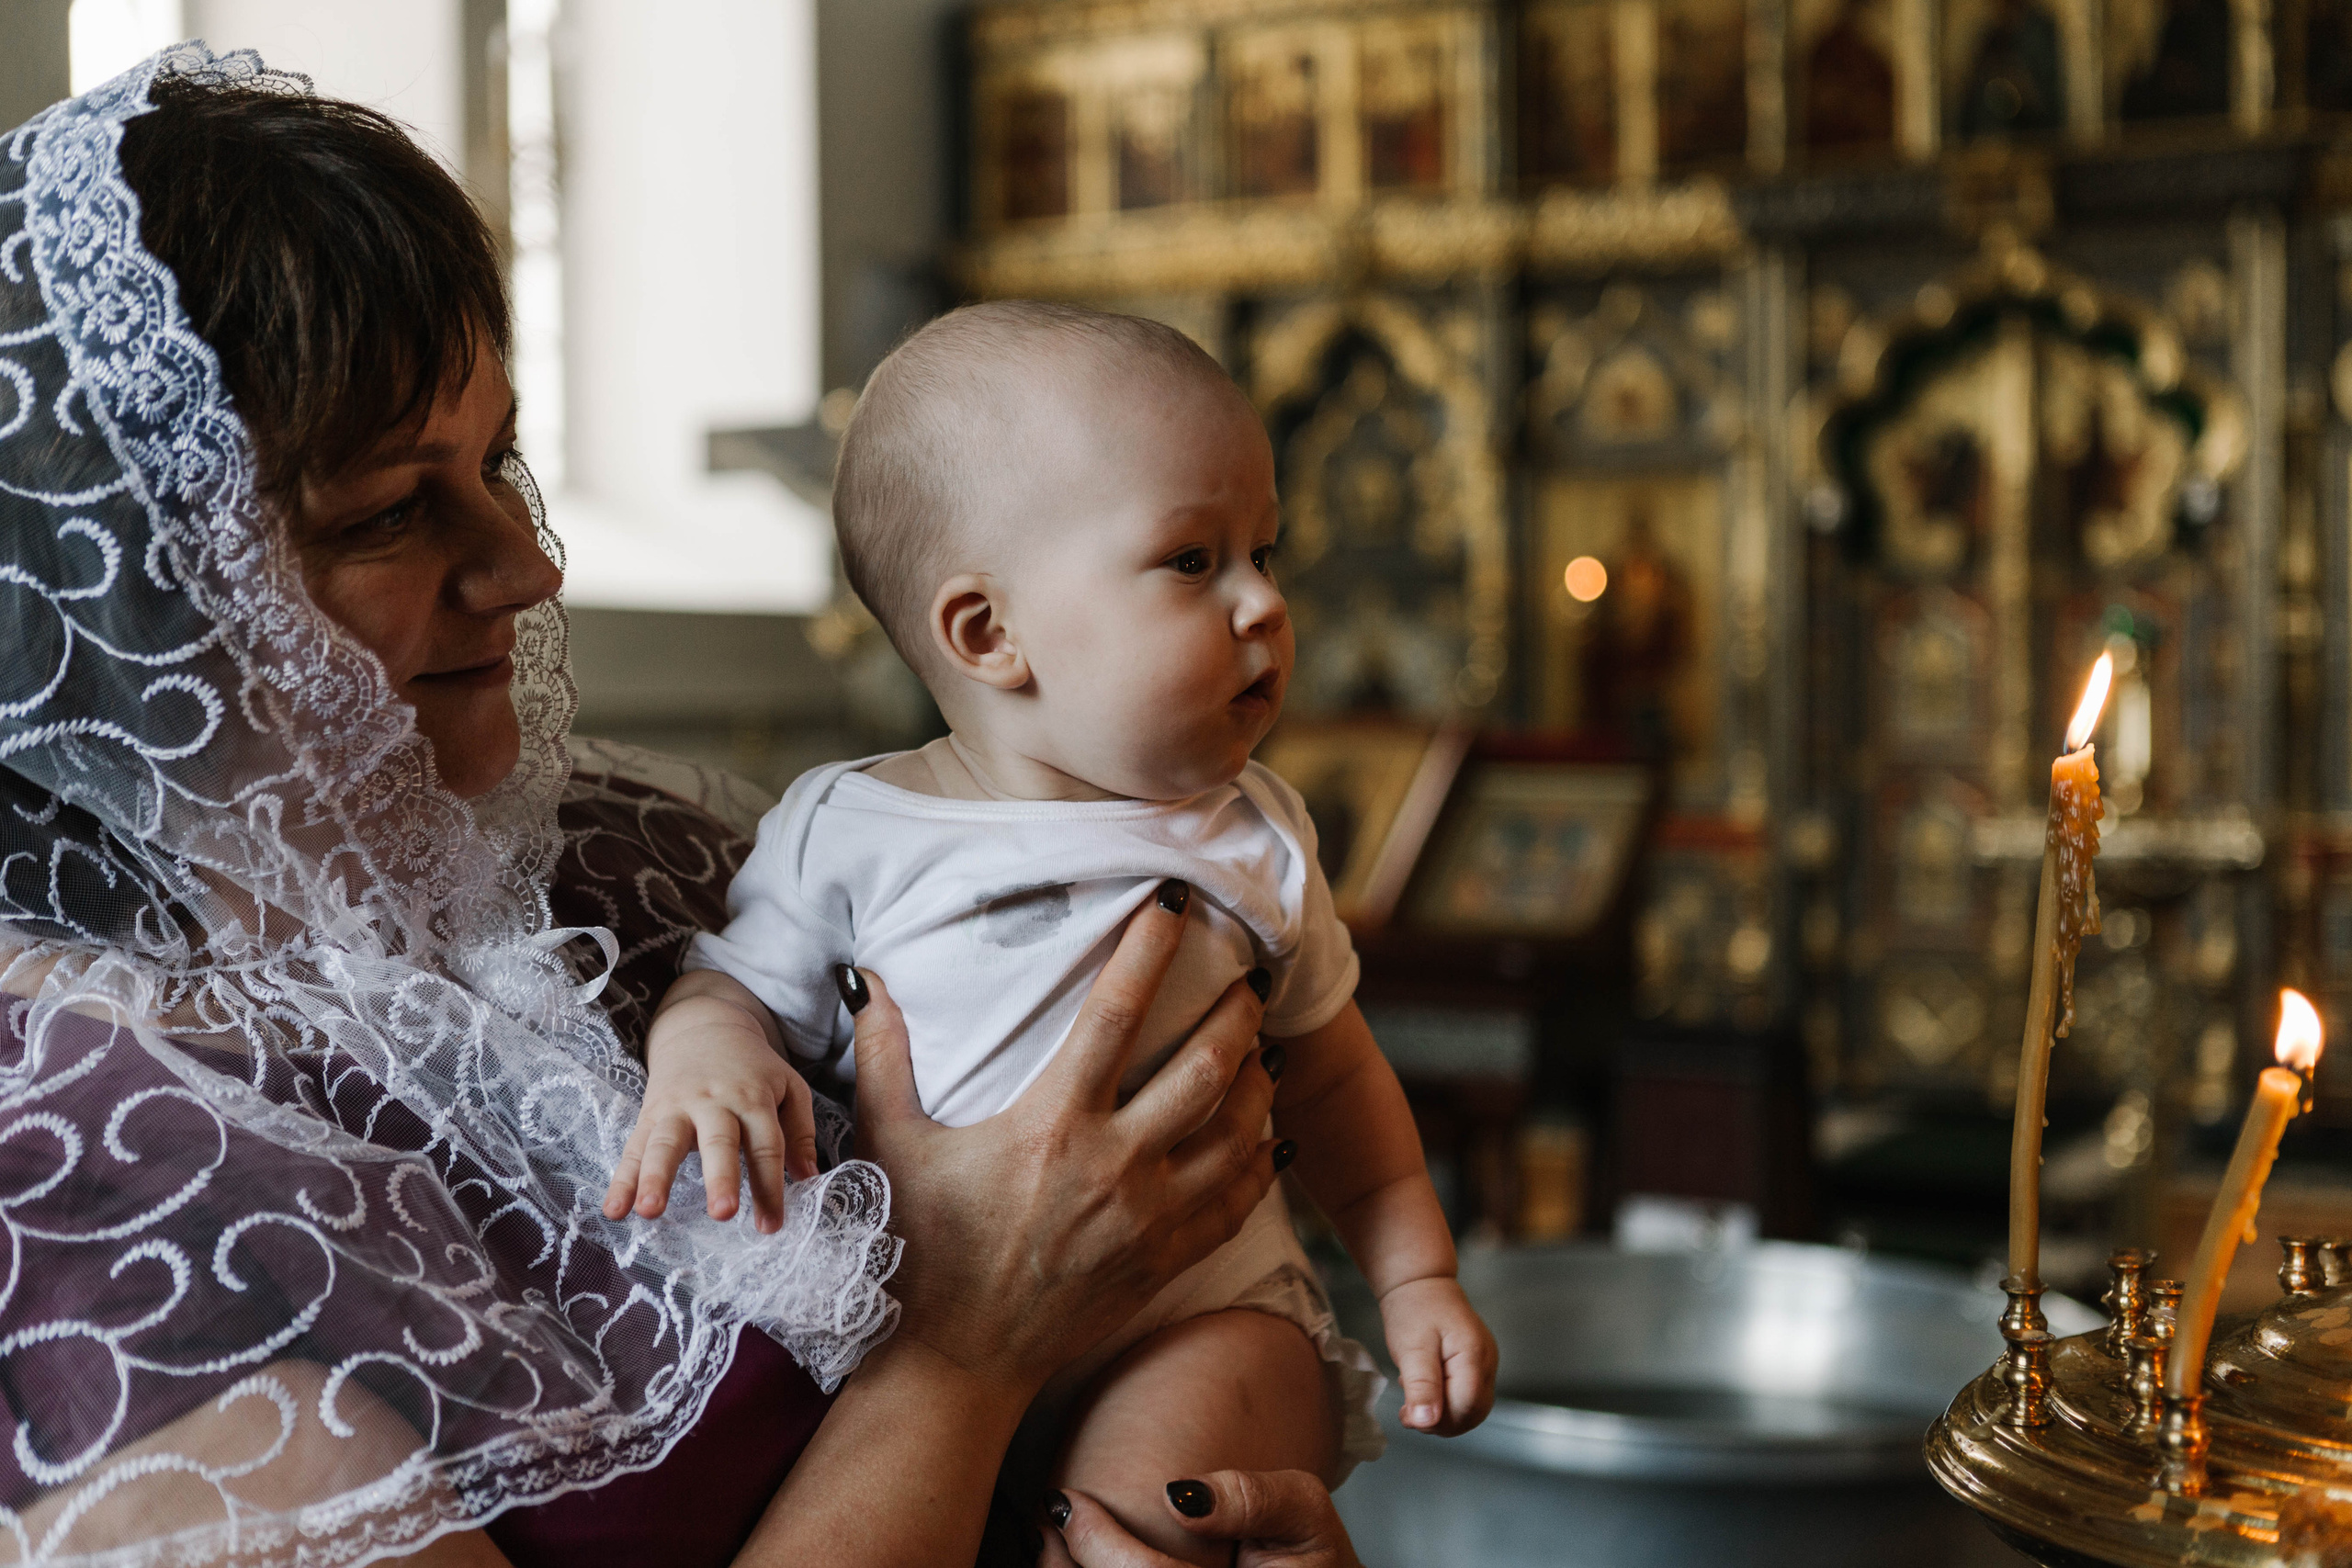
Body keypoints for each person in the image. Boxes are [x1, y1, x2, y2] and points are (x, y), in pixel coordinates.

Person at [0, 46, 1362, 1567]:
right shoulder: (82, 1190)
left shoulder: (659, 869)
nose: (529, 566)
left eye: (501, 458)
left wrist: (1230, 1517)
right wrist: (970, 1346)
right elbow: (1015, 1304)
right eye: (389, 510)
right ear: (123, 603)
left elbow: (1209, 1281)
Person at [607, 301, 1498, 1563]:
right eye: (1195, 561)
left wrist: (1415, 1277)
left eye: (1266, 553)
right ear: (989, 634)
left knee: (1137, 1532)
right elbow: (731, 989)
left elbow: (1339, 1068)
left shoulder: (1252, 834)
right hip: (917, 1323)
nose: (1264, 604)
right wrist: (709, 1056)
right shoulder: (851, 828)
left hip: (1198, 1317)